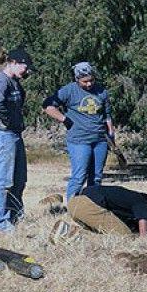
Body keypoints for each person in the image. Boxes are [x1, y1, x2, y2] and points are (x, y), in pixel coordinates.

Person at [43, 61, 115, 199]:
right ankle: (73, 206)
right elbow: (48, 106)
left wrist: (111, 134)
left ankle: (93, 206)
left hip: (100, 140)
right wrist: (65, 120)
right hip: (79, 141)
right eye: (85, 81)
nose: (89, 84)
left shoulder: (102, 91)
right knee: (79, 176)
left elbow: (107, 115)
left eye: (91, 80)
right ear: (77, 79)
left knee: (96, 177)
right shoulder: (68, 91)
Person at [0, 47, 33, 233]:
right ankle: (0, 224)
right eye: (24, 67)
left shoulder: (15, 82)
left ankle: (15, 216)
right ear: (13, 63)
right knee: (4, 182)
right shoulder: (0, 81)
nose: (26, 71)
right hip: (3, 136)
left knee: (19, 180)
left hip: (15, 135)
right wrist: (10, 120)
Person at [64, 185, 147, 237]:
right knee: (125, 236)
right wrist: (144, 239)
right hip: (88, 205)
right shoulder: (142, 201)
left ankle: (67, 231)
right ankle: (70, 233)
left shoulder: (127, 196)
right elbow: (142, 218)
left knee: (102, 231)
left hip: (74, 204)